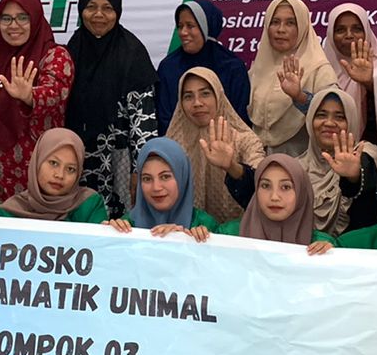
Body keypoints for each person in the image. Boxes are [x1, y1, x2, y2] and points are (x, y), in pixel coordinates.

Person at [0, 0, 74, 200]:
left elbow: (56, 91)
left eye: (22, 17)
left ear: (35, 18)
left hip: (33, 169)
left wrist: (30, 96)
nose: (13, 25)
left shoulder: (54, 55)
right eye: (6, 18)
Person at [64, 0, 157, 213]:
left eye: (107, 8)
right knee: (80, 217)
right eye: (91, 7)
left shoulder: (132, 53)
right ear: (81, 9)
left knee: (119, 223)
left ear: (118, 12)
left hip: (119, 162)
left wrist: (141, 169)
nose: (99, 15)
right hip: (77, 159)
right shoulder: (71, 50)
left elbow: (143, 121)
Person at [165, 68, 264, 224]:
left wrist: (232, 167)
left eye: (205, 94)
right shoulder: (170, 144)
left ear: (219, 97)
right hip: (183, 231)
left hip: (235, 233)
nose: (197, 103)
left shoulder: (245, 140)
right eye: (188, 96)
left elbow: (262, 186)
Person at [247, 0, 334, 156]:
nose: (281, 29)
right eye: (275, 22)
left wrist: (300, 97)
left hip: (304, 163)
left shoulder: (319, 69)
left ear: (302, 27)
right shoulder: (257, 70)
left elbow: (334, 116)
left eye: (290, 23)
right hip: (259, 162)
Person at [155, 0, 250, 133]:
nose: (183, 32)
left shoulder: (232, 67)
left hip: (226, 142)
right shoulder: (168, 67)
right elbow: (164, 119)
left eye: (190, 26)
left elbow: (239, 119)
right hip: (178, 143)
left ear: (206, 27)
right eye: (180, 26)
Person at [301, 88, 377, 236]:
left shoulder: (365, 155)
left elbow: (370, 193)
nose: (329, 123)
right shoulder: (297, 167)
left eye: (340, 117)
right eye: (321, 115)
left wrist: (353, 177)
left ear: (351, 121)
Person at [322, 3, 377, 151]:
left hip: (369, 151)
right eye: (340, 30)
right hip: (326, 151)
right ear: (330, 35)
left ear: (366, 32)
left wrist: (370, 83)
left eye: (357, 29)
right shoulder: (321, 70)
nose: (349, 35)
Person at [111, 138, 217, 241]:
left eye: (165, 177)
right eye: (147, 179)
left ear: (182, 178)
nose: (156, 187)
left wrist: (193, 240)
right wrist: (108, 233)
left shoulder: (204, 226)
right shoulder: (126, 225)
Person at [214, 154, 331, 246]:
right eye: (265, 186)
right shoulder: (228, 235)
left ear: (301, 194)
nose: (274, 197)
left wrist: (331, 256)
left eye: (286, 187)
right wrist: (203, 238)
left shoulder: (321, 245)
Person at [1, 128, 111, 225]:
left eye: (70, 169)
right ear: (37, 162)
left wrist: (114, 230)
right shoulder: (12, 210)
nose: (60, 175)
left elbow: (101, 240)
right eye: (54, 163)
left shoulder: (89, 205)